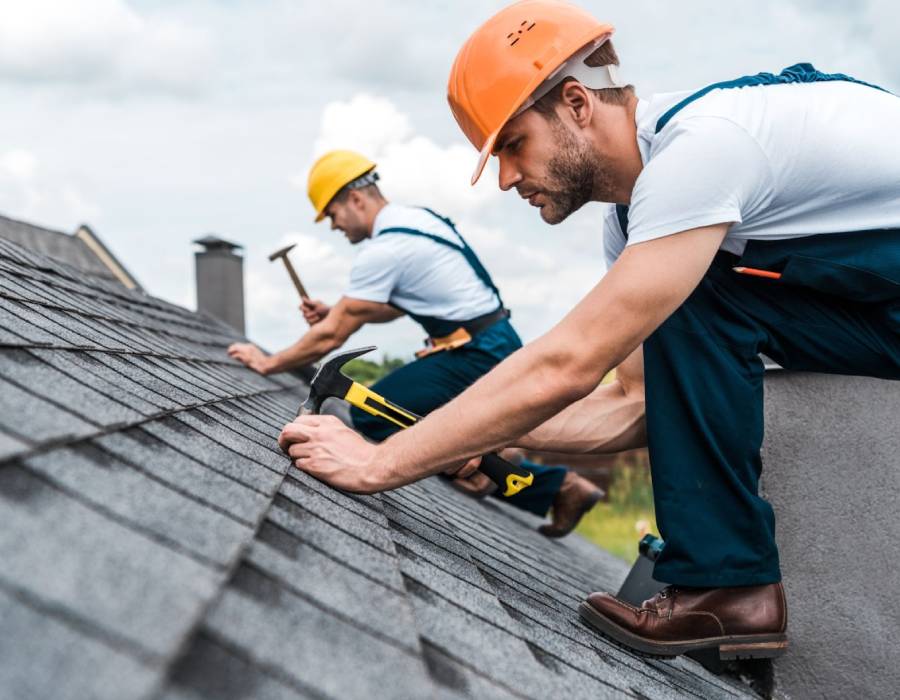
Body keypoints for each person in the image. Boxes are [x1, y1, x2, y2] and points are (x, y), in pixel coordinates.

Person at [278, 0, 900, 662]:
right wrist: (480, 431)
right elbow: (634, 404)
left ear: (576, 103)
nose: (507, 178)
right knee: (695, 295)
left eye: (514, 145)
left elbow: (567, 365)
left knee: (699, 291)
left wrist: (381, 461)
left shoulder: (703, 150)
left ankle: (731, 586)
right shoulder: (638, 221)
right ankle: (732, 590)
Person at [228, 148, 602, 536]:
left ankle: (529, 476)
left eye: (333, 215)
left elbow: (332, 335)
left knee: (373, 415)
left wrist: (268, 362)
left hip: (475, 353)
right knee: (426, 422)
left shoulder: (386, 248)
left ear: (355, 199)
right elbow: (391, 307)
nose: (335, 227)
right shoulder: (417, 221)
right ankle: (533, 477)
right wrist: (337, 311)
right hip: (489, 342)